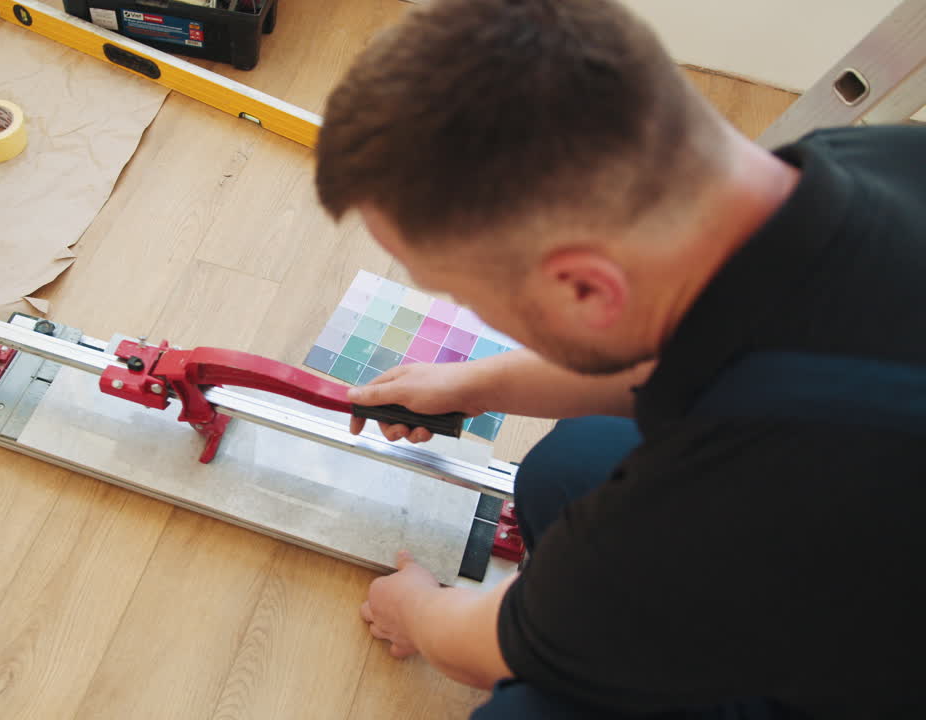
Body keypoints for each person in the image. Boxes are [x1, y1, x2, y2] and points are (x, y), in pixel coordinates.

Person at [314, 0, 926, 717]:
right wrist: (475, 384)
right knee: (572, 464)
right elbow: (713, 346)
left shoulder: (743, 485)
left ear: (586, 288)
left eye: (461, 291)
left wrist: (416, 609)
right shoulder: (870, 160)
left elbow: (484, 648)